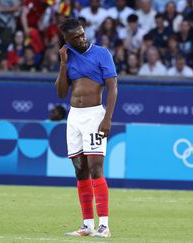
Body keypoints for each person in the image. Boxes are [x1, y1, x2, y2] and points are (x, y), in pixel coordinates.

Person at [55, 18, 117, 238]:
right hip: (74, 117)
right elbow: (61, 92)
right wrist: (62, 64)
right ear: (67, 39)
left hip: (94, 115)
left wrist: (107, 118)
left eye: (82, 34)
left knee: (95, 168)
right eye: (76, 37)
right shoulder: (67, 56)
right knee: (79, 169)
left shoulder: (102, 53)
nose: (82, 38)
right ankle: (87, 225)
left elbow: (112, 88)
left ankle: (104, 226)